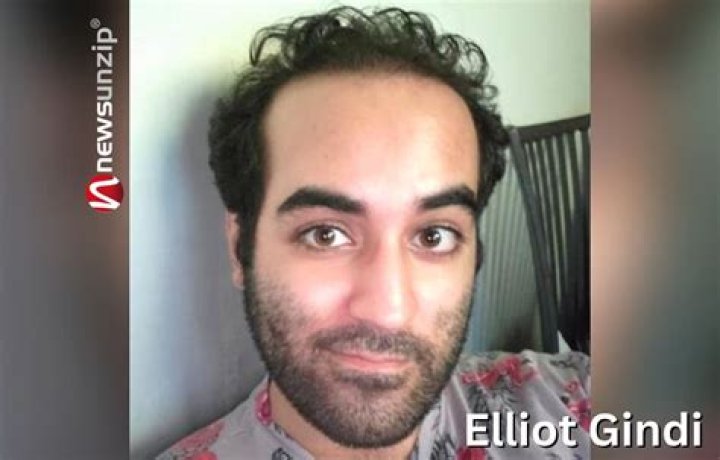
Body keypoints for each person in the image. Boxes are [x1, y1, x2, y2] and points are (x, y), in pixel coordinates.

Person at [159, 6, 589, 460]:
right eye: (325, 234)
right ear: (240, 248)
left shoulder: (566, 404)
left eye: (434, 236)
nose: (388, 311)